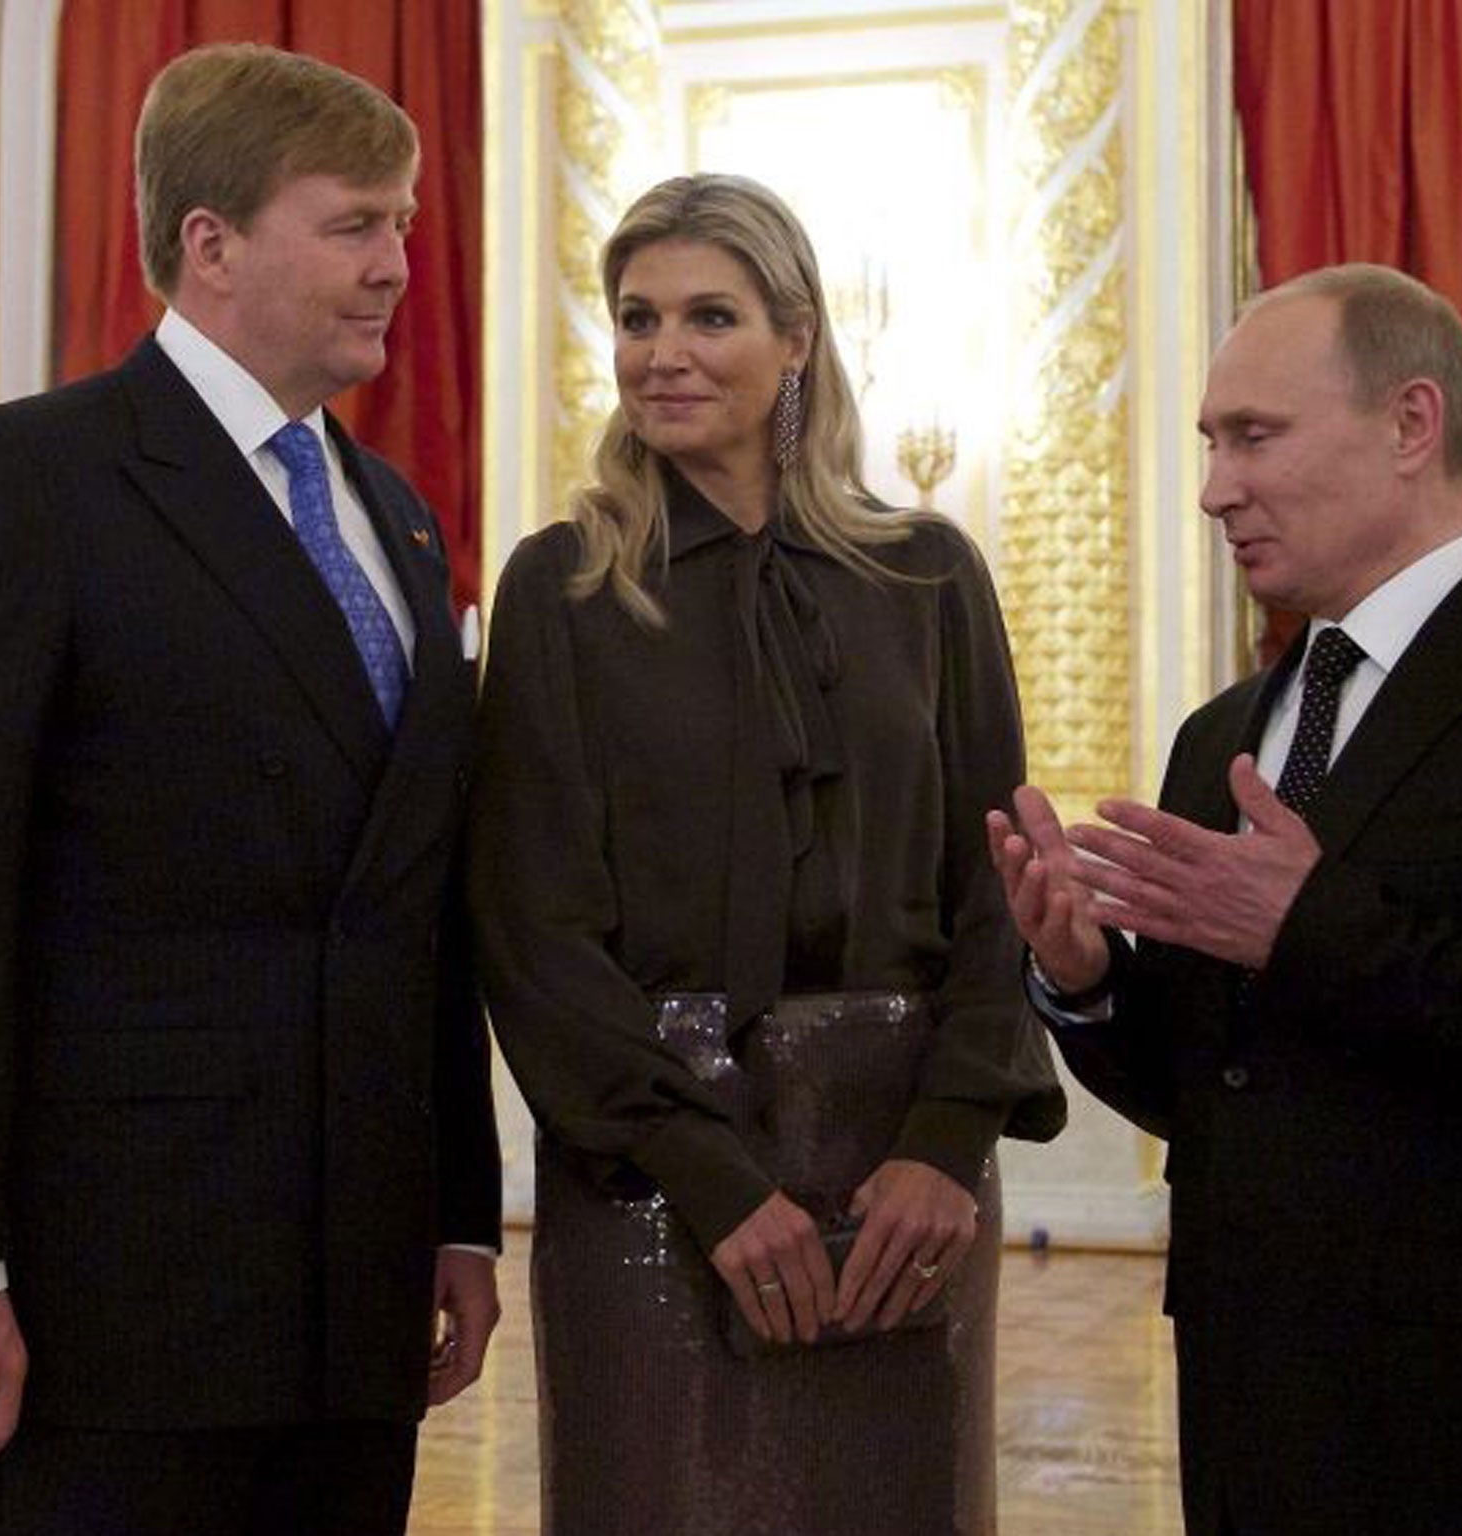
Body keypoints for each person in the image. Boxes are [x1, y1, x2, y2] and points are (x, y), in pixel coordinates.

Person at [0, 43, 500, 1536]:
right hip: (113, 1293)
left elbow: (414, 911)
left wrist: (460, 1209)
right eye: (355, 225)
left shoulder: (397, 520)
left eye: (403, 224)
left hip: (356, 1291)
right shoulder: (25, 480)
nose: (399, 266)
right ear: (209, 244)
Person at [989, 263, 1462, 1536]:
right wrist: (1086, 982)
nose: (1212, 489)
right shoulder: (1221, 734)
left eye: (1254, 437)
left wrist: (1311, 928)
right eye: (1206, 444)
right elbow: (1212, 1089)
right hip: (1255, 1412)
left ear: (1410, 425)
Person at [470, 172, 1065, 1536]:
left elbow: (997, 884)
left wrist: (946, 1143)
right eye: (636, 318)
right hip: (657, 1172)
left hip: (905, 1168)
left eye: (709, 315)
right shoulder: (563, 587)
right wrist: (720, 1183)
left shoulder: (930, 574)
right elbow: (534, 929)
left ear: (796, 339)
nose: (662, 352)